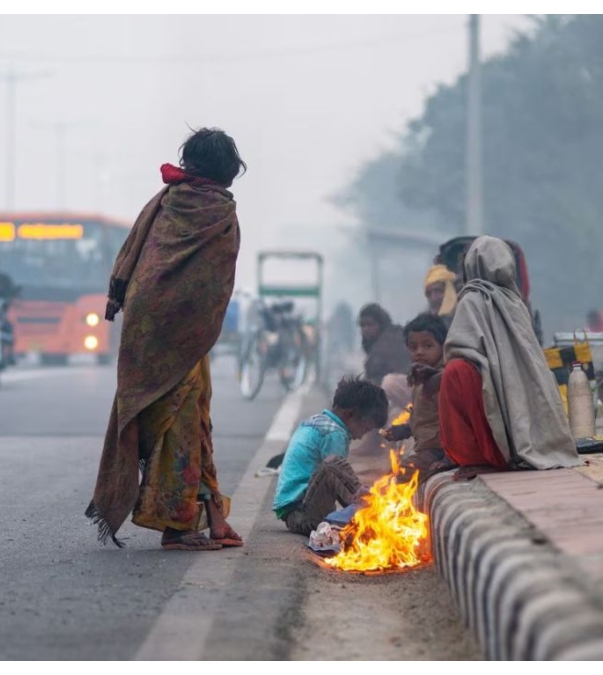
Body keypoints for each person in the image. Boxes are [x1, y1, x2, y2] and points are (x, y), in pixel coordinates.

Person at [86, 127, 246, 552]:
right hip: (184, 331)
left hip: (145, 326)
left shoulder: (165, 202)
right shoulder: (219, 212)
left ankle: (214, 518)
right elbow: (212, 284)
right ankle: (179, 527)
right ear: (228, 171)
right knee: (183, 422)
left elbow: (135, 257)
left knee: (192, 417)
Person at [438, 236, 581, 471]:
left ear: (472, 265)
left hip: (489, 410)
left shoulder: (472, 298)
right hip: (518, 419)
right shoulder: (516, 302)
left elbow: (458, 350)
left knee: (455, 372)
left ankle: (477, 457)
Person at [272, 375, 388, 536]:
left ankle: (364, 510)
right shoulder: (335, 433)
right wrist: (358, 502)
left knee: (335, 468)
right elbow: (335, 475)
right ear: (350, 415)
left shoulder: (318, 421)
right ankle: (369, 512)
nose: (361, 436)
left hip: (294, 512)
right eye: (365, 428)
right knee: (333, 465)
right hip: (303, 515)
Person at [381, 312, 454, 480]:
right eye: (413, 347)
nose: (419, 352)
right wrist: (405, 430)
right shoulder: (419, 377)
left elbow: (455, 422)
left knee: (398, 477)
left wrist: (449, 458)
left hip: (439, 451)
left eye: (427, 346)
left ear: (443, 346)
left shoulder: (443, 379)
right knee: (393, 474)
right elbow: (426, 418)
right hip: (427, 447)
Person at [358, 303, 411, 410]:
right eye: (363, 325)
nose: (366, 329)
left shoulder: (391, 342)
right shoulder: (376, 343)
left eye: (370, 324)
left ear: (381, 324)